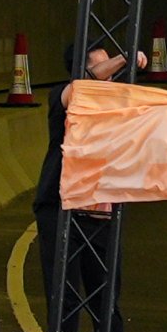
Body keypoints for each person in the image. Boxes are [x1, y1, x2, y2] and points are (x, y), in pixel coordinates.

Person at [34, 43, 134, 244]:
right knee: (63, 274)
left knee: (105, 275)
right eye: (105, 68)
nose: (110, 75)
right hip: (60, 207)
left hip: (100, 213)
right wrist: (124, 58)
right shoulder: (63, 95)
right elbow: (85, 84)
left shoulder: (114, 107)